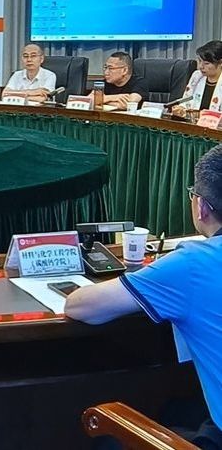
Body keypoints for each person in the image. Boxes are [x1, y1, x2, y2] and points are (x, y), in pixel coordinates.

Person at [66, 144, 222, 448]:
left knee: (108, 436)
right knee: (177, 410)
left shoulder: (192, 264)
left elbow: (82, 307)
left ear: (201, 207)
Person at [173, 40, 222, 118]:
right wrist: (181, 108)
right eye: (199, 61)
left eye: (206, 63)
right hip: (193, 123)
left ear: (220, 63)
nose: (200, 67)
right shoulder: (197, 76)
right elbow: (186, 99)